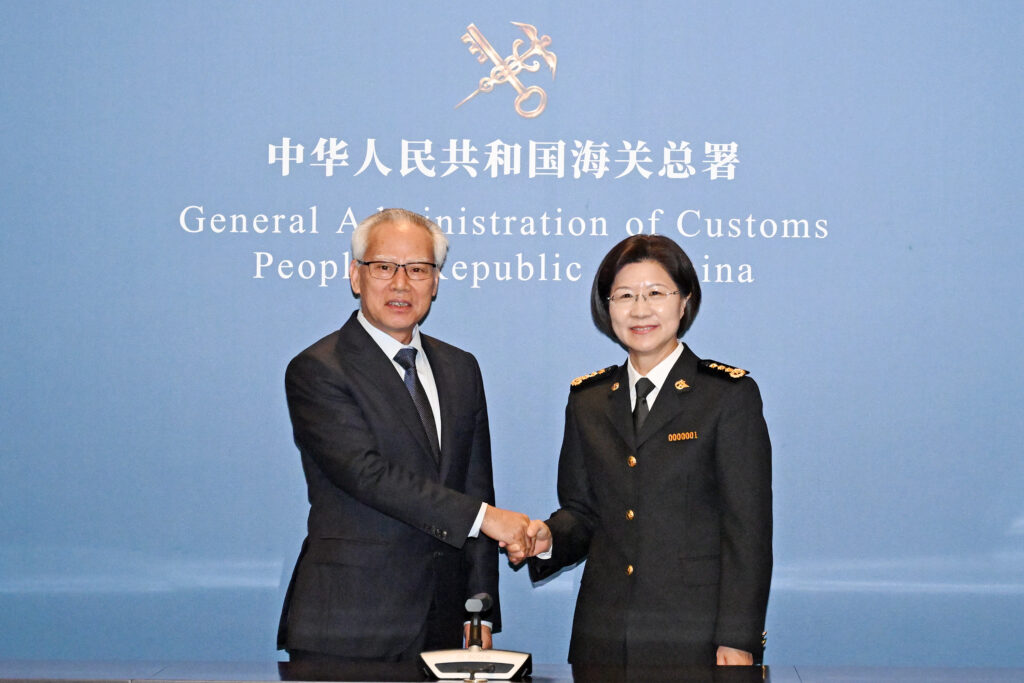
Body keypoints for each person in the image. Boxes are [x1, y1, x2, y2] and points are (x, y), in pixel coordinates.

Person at [277, 208, 533, 663]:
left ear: (435, 282)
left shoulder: (461, 368)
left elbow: (476, 485)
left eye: (417, 269)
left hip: (442, 622)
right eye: (383, 267)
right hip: (348, 624)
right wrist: (485, 517)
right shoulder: (318, 369)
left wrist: (479, 607)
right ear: (355, 275)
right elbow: (367, 474)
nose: (401, 284)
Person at [522, 234, 772, 674]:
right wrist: (548, 539)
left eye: (656, 293)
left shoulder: (727, 396)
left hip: (696, 642)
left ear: (685, 301)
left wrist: (738, 639)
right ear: (607, 308)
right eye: (624, 296)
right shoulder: (588, 400)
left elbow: (747, 531)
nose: (640, 310)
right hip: (603, 640)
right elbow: (582, 511)